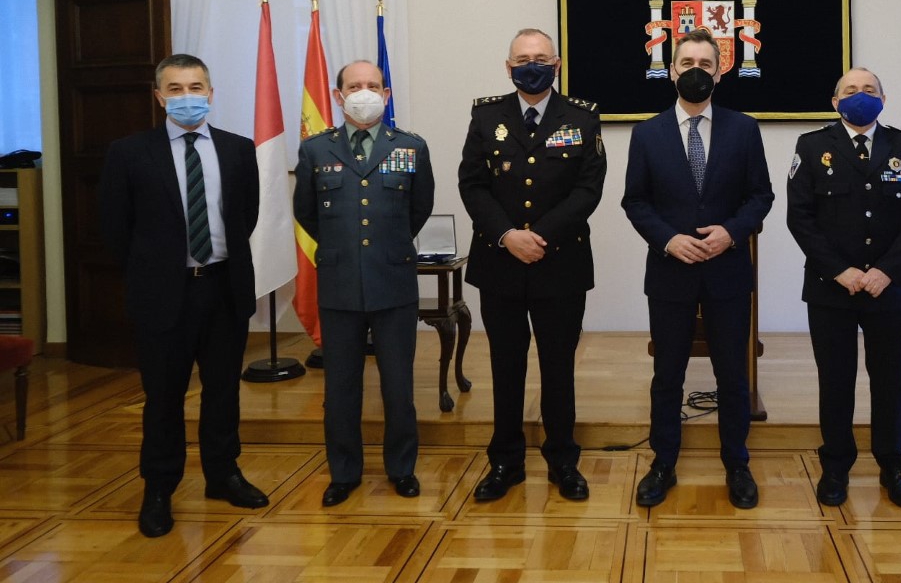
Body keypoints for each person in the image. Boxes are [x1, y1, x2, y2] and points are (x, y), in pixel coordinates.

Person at [100, 54, 267, 538]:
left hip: (223, 288)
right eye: (175, 89)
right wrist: (155, 269)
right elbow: (115, 229)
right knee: (163, 396)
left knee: (223, 390)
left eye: (195, 87)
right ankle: (159, 488)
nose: (187, 97)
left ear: (211, 93)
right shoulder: (129, 153)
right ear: (159, 97)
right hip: (163, 294)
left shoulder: (238, 149)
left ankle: (223, 474)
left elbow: (246, 216)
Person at [621, 27, 774, 509]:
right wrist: (668, 239)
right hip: (671, 273)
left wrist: (732, 232)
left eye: (705, 64)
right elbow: (635, 201)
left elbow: (761, 196)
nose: (696, 72)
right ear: (672, 71)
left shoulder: (744, 129)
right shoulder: (647, 134)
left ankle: (737, 463)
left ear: (719, 73)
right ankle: (663, 463)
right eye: (687, 63)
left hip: (728, 271)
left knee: (733, 375)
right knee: (668, 375)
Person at [459, 28, 606, 502]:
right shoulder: (486, 115)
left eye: (541, 57)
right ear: (508, 67)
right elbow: (472, 184)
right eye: (522, 59)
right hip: (499, 262)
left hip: (559, 262)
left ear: (557, 64)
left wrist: (539, 237)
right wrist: (508, 235)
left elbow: (588, 188)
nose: (532, 65)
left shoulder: (582, 116)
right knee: (505, 366)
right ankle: (505, 462)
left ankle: (563, 461)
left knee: (558, 367)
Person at [785, 67, 901, 509]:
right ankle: (835, 466)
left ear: (883, 100)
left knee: (890, 380)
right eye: (851, 90)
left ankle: (894, 466)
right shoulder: (811, 146)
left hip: (889, 288)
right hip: (831, 289)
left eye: (870, 90)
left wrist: (887, 270)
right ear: (835, 102)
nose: (860, 95)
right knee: (836, 380)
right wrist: (839, 271)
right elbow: (800, 218)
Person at [294, 59, 434, 507]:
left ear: (386, 95)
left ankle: (402, 468)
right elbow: (306, 212)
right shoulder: (316, 150)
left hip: (393, 281)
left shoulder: (410, 146)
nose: (365, 92)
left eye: (373, 85)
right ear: (338, 96)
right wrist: (344, 248)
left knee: (398, 385)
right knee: (340, 387)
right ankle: (344, 472)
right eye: (355, 86)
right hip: (338, 284)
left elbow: (419, 208)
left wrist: (383, 247)